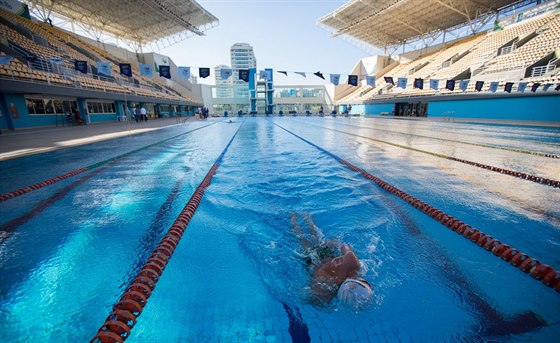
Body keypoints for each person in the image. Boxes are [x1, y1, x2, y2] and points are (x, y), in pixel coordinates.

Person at [290, 213, 373, 309]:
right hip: (310, 263)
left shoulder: (352, 264)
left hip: (324, 254)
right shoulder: (323, 296)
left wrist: (331, 243)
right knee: (301, 239)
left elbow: (343, 245)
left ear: (362, 281)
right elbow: (300, 295)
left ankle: (301, 215)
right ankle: (293, 218)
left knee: (312, 230)